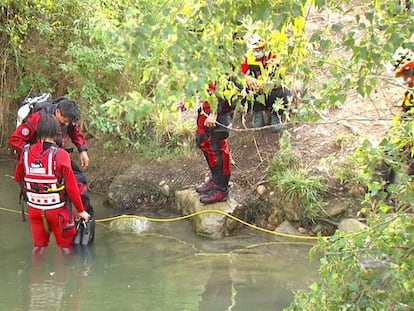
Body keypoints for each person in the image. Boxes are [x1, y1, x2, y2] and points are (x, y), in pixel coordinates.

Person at [14, 114, 90, 256]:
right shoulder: (61, 155)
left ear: (37, 131)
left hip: (35, 209)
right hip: (57, 211)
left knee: (38, 247)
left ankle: (34, 276)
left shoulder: (25, 152)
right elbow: (72, 187)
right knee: (65, 248)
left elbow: (18, 177)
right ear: (57, 133)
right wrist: (81, 211)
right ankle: (63, 277)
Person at [8, 96, 94, 216]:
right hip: (35, 159)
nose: (66, 124)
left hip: (55, 155)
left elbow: (75, 132)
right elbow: (15, 139)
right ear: (57, 112)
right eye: (64, 121)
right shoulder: (38, 118)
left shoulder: (67, 118)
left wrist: (82, 150)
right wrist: (33, 154)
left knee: (79, 180)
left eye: (69, 122)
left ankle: (85, 215)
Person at [240, 33, 292, 132]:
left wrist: (269, 84)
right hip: (255, 91)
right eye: (255, 49)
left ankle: (276, 113)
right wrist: (247, 78)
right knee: (240, 89)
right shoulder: (248, 56)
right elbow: (239, 74)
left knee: (286, 92)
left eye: (260, 48)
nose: (257, 51)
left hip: (274, 90)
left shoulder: (276, 56)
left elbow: (287, 77)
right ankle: (257, 110)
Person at [195, 81, 236, 204]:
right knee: (202, 140)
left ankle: (222, 189)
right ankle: (216, 180)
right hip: (207, 104)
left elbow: (224, 82)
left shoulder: (222, 63)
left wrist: (214, 113)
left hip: (220, 106)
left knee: (217, 144)